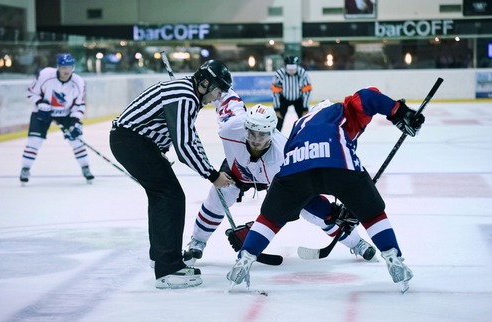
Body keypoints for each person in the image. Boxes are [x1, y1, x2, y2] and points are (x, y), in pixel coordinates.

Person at [227, 87, 425, 293]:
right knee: (372, 214)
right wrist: (399, 111)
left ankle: (245, 259)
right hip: (338, 162)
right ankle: (393, 257)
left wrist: (332, 212)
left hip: (296, 168)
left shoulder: (298, 125)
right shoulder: (340, 111)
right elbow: (369, 97)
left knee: (269, 219)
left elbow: (305, 187)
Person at [183, 89, 376, 266]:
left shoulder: (284, 156)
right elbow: (226, 96)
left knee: (314, 214)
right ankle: (197, 242)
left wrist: (254, 230)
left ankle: (356, 242)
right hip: (236, 170)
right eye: (251, 133)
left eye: (262, 135)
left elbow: (290, 204)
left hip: (275, 178)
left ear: (272, 133)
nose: (256, 139)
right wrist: (204, 91)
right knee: (218, 197)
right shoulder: (231, 128)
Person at [109, 60, 235, 290]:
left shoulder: (187, 95)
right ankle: (168, 268)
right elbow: (185, 146)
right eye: (218, 90)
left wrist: (158, 151)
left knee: (163, 196)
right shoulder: (184, 96)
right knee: (170, 196)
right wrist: (212, 174)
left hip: (136, 143)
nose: (218, 97)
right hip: (131, 142)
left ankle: (161, 256)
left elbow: (181, 135)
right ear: (205, 83)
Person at [20, 53, 94, 184]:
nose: (66, 71)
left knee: (77, 141)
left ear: (73, 67)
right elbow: (30, 92)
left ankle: (85, 167)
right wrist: (40, 103)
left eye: (69, 67)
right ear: (58, 67)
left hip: (66, 115)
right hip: (42, 113)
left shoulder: (78, 82)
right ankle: (25, 169)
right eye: (63, 67)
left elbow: (80, 104)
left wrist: (74, 122)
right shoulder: (45, 75)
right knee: (34, 141)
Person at [271, 55, 312, 132]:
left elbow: (307, 92)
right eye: (289, 69)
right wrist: (276, 109)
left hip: (299, 99)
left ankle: (305, 136)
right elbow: (275, 92)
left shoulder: (303, 73)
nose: (291, 71)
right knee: (278, 122)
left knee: (304, 121)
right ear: (285, 67)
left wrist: (305, 108)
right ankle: (274, 138)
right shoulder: (279, 74)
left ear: (297, 66)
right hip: (283, 98)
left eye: (293, 69)